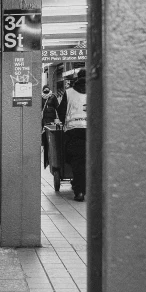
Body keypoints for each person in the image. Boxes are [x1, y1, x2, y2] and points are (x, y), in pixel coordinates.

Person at [57, 69, 87, 201]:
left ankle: (79, 191)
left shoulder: (69, 92)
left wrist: (66, 124)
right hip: (93, 133)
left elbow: (61, 111)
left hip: (73, 132)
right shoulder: (98, 90)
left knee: (77, 163)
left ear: (77, 78)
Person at [40, 86, 59, 168]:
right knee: (44, 132)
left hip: (51, 118)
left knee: (50, 131)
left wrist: (58, 119)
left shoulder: (53, 96)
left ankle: (50, 143)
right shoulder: (40, 97)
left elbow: (57, 107)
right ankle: (45, 143)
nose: (46, 90)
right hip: (43, 118)